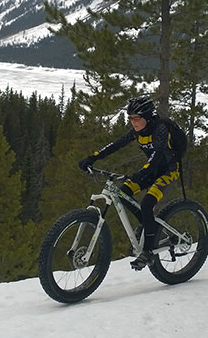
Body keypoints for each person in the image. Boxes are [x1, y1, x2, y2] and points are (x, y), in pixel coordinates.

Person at [78, 95, 187, 270]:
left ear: (148, 116)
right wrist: (93, 158)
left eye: (137, 118)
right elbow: (116, 144)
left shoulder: (160, 129)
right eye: (130, 118)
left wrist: (140, 174)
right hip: (151, 170)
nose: (133, 122)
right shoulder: (138, 131)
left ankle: (148, 252)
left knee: (147, 204)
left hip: (167, 171)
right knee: (123, 194)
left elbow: (157, 155)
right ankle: (146, 223)